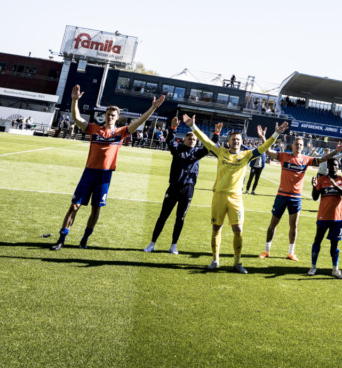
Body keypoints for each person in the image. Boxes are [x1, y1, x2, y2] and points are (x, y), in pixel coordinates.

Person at [49, 86, 165, 250]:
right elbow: (76, 118)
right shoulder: (94, 129)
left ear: (117, 117)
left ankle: (84, 239)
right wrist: (75, 100)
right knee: (74, 206)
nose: (110, 117)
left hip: (105, 176)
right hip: (89, 172)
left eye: (113, 115)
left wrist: (153, 108)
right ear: (104, 115)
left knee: (96, 209)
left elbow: (139, 122)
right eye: (108, 114)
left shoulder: (121, 132)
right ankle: (61, 239)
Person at [187, 116, 283, 272]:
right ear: (229, 141)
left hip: (236, 198)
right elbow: (205, 141)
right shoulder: (221, 152)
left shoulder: (245, 155)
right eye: (233, 139)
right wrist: (193, 126)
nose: (236, 142)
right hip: (219, 195)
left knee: (238, 229)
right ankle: (215, 260)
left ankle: (237, 263)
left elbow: (264, 148)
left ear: (241, 141)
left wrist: (276, 134)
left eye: (238, 140)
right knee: (216, 228)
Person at [259, 134, 342, 261]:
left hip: (295, 197)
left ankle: (291, 252)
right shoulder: (284, 156)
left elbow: (322, 159)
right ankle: (266, 250)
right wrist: (264, 138)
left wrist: (336, 151)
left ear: (303, 146)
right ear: (292, 145)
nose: (298, 146)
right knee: (273, 224)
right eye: (296, 144)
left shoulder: (306, 159)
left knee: (293, 226)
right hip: (282, 195)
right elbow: (268, 150)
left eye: (301, 144)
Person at [144, 117, 210, 254]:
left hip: (188, 189)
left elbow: (210, 145)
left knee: (180, 218)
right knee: (163, 216)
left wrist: (215, 135)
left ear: (196, 141)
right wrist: (173, 129)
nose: (191, 140)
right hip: (174, 187)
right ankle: (152, 243)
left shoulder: (198, 153)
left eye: (193, 139)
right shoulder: (177, 150)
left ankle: (173, 245)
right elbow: (169, 141)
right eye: (189, 138)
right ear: (184, 140)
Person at [308, 159, 342, 277]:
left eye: (335, 165)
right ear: (327, 166)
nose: (333, 167)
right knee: (317, 240)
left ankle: (335, 269)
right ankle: (313, 267)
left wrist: (336, 185)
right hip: (323, 216)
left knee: (335, 245)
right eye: (331, 165)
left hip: (337, 218)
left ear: (338, 166)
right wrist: (314, 186)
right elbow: (315, 197)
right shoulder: (321, 180)